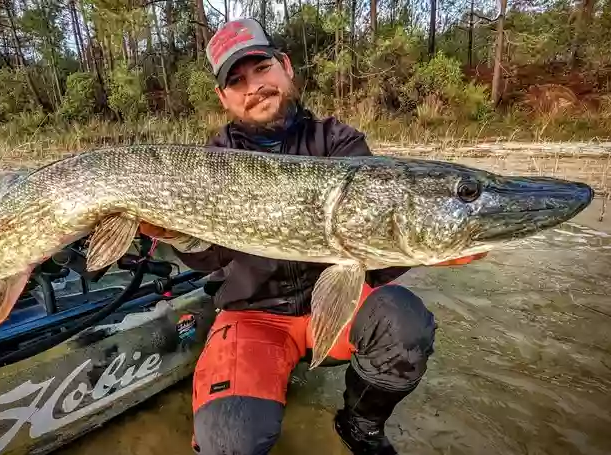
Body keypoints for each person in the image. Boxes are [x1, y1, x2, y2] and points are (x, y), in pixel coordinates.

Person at [139, 18, 486, 455]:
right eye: (237, 81)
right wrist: (177, 236)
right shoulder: (211, 163)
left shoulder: (339, 142)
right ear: (223, 97)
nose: (254, 87)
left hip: (337, 300)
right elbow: (210, 259)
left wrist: (428, 248)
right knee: (228, 442)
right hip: (254, 314)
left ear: (286, 67)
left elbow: (374, 240)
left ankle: (360, 425)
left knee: (405, 322)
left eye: (262, 69)